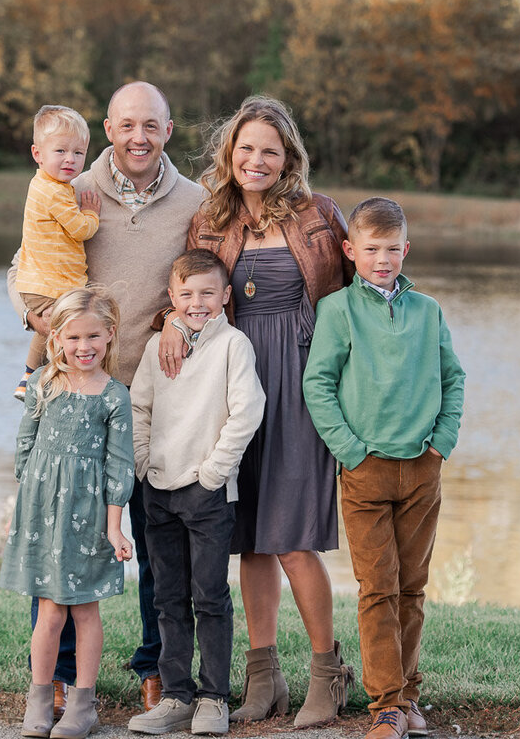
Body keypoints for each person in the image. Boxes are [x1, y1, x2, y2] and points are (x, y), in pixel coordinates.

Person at [8, 82, 205, 714]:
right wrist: (36, 320)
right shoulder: (72, 184)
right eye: (126, 125)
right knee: (65, 541)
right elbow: (23, 267)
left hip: (154, 399)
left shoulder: (194, 202)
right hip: (75, 398)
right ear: (108, 127)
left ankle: (154, 666)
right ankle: (61, 677)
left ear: (168, 130)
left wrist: (181, 321)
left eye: (151, 125)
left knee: (151, 540)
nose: (138, 137)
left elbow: (204, 283)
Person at [161, 95, 355, 728]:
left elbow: (358, 294)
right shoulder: (209, 218)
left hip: (300, 385)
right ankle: (263, 678)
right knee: (250, 542)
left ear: (288, 158)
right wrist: (168, 320)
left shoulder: (319, 215)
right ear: (229, 152)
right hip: (235, 386)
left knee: (294, 538)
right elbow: (189, 292)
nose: (256, 159)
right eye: (246, 147)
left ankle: (327, 675)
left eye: (270, 149)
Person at [302, 197, 466, 739]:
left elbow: (454, 378)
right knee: (378, 587)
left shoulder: (428, 310)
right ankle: (386, 706)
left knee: (412, 587)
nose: (382, 260)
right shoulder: (338, 311)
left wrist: (441, 441)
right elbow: (318, 385)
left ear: (405, 249)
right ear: (350, 251)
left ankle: (410, 694)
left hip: (422, 468)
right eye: (371, 249)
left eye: (392, 250)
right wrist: (350, 450)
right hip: (365, 470)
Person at [126, 249, 265, 736]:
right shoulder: (155, 348)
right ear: (172, 298)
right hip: (158, 489)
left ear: (226, 296)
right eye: (186, 294)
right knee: (168, 597)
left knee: (209, 596)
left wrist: (213, 473)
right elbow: (138, 407)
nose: (197, 302)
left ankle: (213, 697)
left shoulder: (233, 346)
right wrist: (143, 463)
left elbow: (247, 412)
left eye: (208, 293)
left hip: (207, 494)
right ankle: (176, 695)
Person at [0, 286, 136, 739]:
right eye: (74, 338)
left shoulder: (115, 396)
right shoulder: (41, 382)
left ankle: (83, 703)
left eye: (93, 337)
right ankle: (39, 698)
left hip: (89, 513)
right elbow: (24, 448)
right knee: (48, 609)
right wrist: (19, 512)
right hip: (41, 511)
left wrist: (114, 528)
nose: (84, 347)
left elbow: (119, 465)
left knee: (84, 610)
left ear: (110, 335)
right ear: (55, 337)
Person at [13, 105, 102, 400]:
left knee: (53, 333)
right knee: (59, 333)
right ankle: (35, 377)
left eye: (78, 153)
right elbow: (80, 229)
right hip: (50, 286)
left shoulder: (47, 184)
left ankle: (30, 377)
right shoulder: (54, 192)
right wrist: (90, 213)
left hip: (41, 282)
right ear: (38, 154)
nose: (70, 159)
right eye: (61, 151)